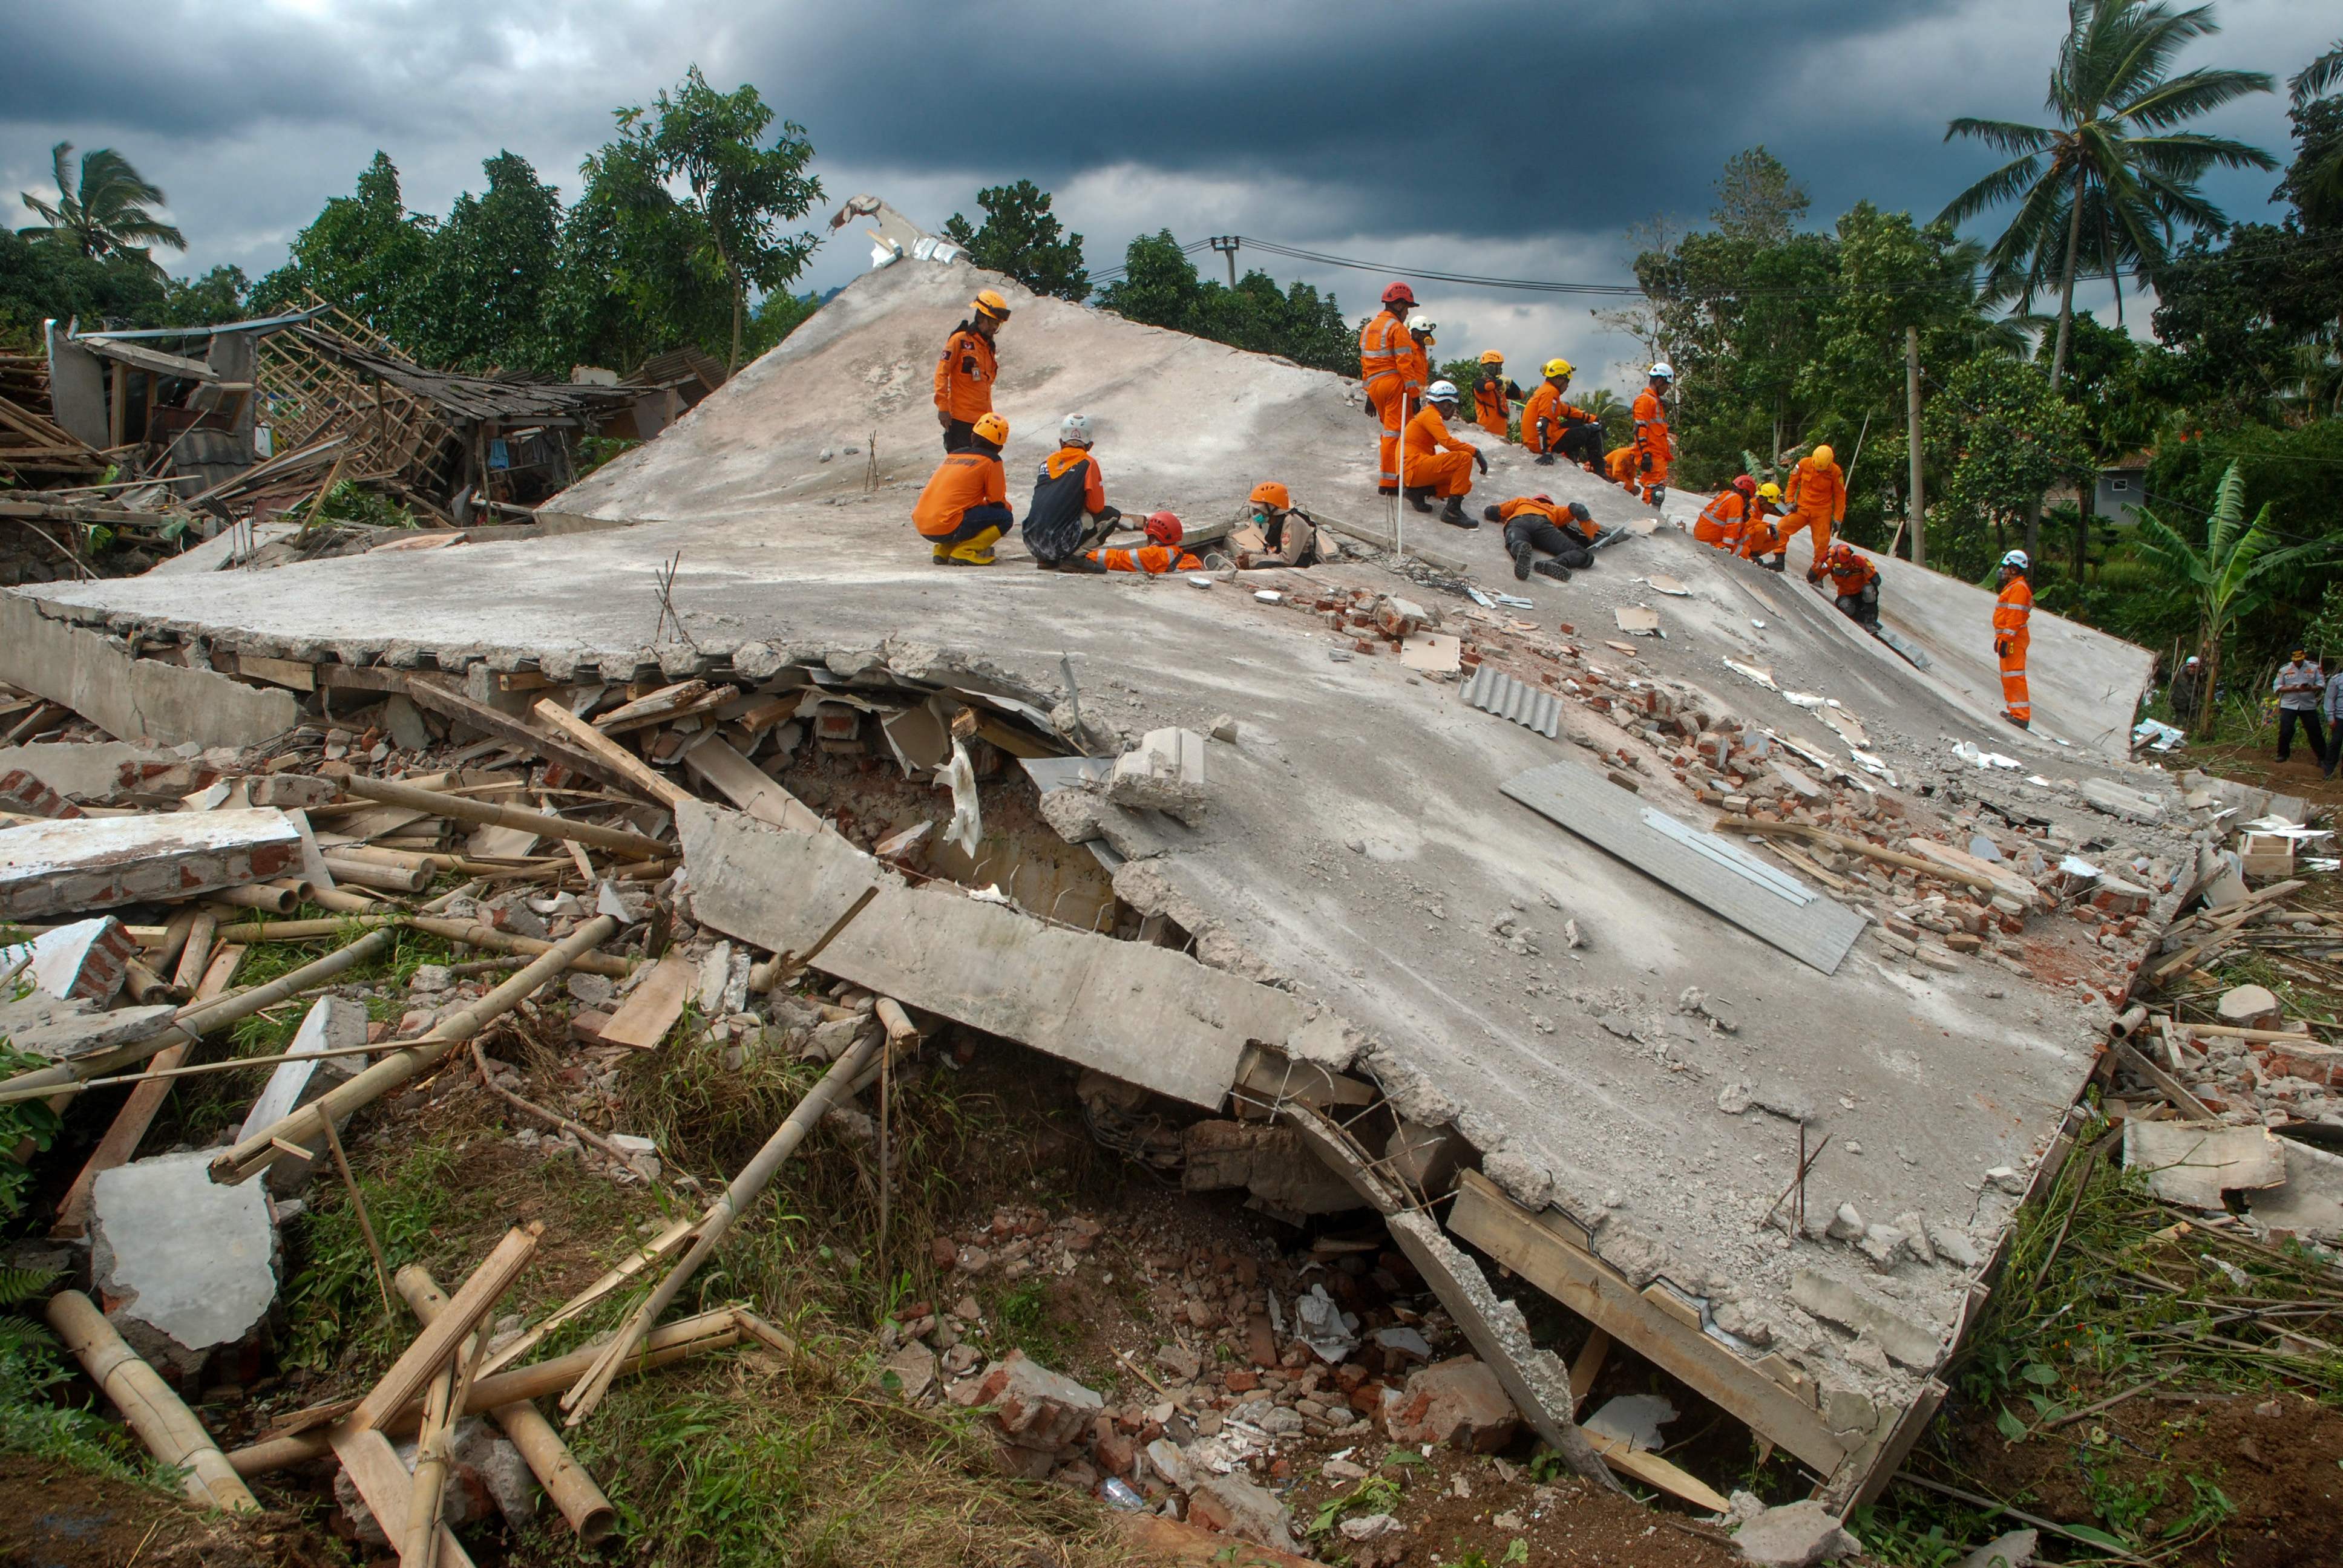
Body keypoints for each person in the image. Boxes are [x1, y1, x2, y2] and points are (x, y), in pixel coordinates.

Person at [912, 411, 1013, 565]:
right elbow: (996, 502)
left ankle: (943, 549)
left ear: (973, 437)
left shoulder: (954, 456)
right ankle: (965, 551)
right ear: (1000, 447)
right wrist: (1007, 507)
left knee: (966, 513)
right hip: (948, 525)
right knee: (1005, 517)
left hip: (923, 523)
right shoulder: (992, 461)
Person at [1023, 414, 1121, 569]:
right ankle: (1075, 559)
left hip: (1032, 540)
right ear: (1090, 445)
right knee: (1111, 515)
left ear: (1061, 442)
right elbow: (1097, 507)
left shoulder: (1046, 462)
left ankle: (1045, 560)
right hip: (1058, 541)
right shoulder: (1088, 463)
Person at [1358, 283, 1420, 495]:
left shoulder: (1369, 328)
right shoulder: (1397, 328)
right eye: (1407, 307)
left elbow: (1365, 362)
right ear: (1399, 304)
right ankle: (1391, 482)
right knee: (1398, 433)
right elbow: (1405, 364)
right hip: (1394, 385)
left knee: (1389, 432)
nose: (1407, 313)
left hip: (1376, 386)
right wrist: (1414, 395)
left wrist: (1369, 394)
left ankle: (1388, 479)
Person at [1401, 381, 1487, 528]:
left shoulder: (1429, 414)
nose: (1453, 410)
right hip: (1413, 467)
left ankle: (1417, 492)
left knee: (1463, 484)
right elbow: (1448, 442)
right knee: (1464, 458)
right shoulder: (1431, 415)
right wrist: (1475, 452)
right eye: (1452, 406)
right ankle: (1452, 512)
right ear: (1446, 404)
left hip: (1412, 468)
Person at [933, 289, 1011, 453]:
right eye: (993, 323)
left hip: (984, 422)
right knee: (961, 471)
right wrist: (943, 407)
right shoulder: (959, 341)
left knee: (982, 469)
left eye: (998, 325)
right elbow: (942, 373)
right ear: (981, 317)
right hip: (960, 420)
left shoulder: (988, 347)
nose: (995, 328)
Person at [1483, 494, 1599, 581]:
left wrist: (1497, 515)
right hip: (1544, 526)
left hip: (1519, 521)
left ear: (1534, 499)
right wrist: (1590, 528)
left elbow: (1492, 511)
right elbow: (1576, 509)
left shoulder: (1523, 501)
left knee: (1517, 541)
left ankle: (1520, 549)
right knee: (1581, 553)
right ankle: (1557, 563)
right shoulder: (1555, 509)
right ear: (1550, 503)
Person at [1520, 359, 1604, 469]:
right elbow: (1543, 423)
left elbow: (1568, 411)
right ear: (1559, 379)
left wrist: (1592, 418)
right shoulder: (1550, 393)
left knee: (1577, 422)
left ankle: (1571, 459)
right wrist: (1547, 452)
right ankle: (1599, 470)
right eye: (1567, 382)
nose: (1568, 386)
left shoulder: (1546, 390)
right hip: (1538, 444)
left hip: (1536, 440)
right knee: (1593, 431)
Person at [1781, 443, 1847, 566]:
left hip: (1822, 512)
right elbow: (1792, 483)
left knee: (1822, 544)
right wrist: (1789, 501)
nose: (1819, 471)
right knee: (1781, 528)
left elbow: (1840, 496)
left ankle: (1817, 572)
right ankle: (1779, 559)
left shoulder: (1836, 472)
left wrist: (1838, 518)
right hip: (1802, 508)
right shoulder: (1803, 464)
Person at [1084, 511, 1202, 575]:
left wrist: (1085, 556)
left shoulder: (1154, 555)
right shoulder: (1193, 559)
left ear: (1152, 537)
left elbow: (1119, 559)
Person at [1240, 480, 1323, 567]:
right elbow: (1273, 551)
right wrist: (1250, 554)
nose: (1255, 513)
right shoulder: (1276, 521)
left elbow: (1287, 560)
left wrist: (1252, 560)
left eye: (1258, 509)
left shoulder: (1291, 522)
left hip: (1311, 569)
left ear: (1271, 508)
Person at [1994, 548, 2034, 728]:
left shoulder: (2018, 588)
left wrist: (2006, 639)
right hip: (2010, 638)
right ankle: (2015, 711)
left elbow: (2015, 617)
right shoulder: (2015, 587)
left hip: (2014, 639)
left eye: (2006, 567)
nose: (2003, 571)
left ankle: (2021, 716)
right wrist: (2002, 637)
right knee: (2009, 675)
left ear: (2015, 569)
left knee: (2014, 675)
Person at [2273, 650, 2327, 765]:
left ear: (2304, 657)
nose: (2298, 662)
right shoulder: (2284, 669)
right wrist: (2294, 688)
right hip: (2289, 704)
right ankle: (2282, 754)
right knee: (2285, 730)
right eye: (2295, 660)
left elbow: (2322, 684)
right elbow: (2277, 687)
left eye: (2300, 660)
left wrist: (2311, 688)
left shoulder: (2314, 667)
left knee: (2315, 731)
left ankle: (2322, 758)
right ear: (2292, 659)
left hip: (2308, 704)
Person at [1631, 363, 1673, 508]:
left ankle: (1651, 520)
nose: (1667, 388)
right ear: (1660, 381)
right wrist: (1646, 454)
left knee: (1658, 490)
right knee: (1654, 491)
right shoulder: (1645, 400)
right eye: (1667, 384)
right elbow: (1640, 428)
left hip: (1657, 454)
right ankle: (1647, 520)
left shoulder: (1654, 401)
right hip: (1651, 453)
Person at [1817, 541, 1880, 630]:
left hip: (1862, 595)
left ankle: (1871, 619)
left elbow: (1877, 580)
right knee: (1845, 606)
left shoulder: (1860, 561)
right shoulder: (1830, 564)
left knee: (1869, 589)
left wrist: (1864, 566)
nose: (1844, 566)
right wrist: (1822, 559)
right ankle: (1863, 617)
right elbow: (1812, 576)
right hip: (1846, 595)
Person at [1694, 476, 1758, 551]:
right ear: (1744, 492)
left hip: (1702, 536)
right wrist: (1727, 546)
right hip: (1710, 541)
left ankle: (1749, 551)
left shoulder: (1727, 495)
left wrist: (1743, 518)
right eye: (1748, 497)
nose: (1747, 501)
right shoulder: (1737, 499)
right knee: (1744, 551)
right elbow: (1733, 525)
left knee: (1745, 545)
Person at [1471, 351, 1522, 437]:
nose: (1501, 369)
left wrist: (1510, 382)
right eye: (1499, 366)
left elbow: (1520, 395)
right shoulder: (1479, 383)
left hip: (1502, 434)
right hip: (1486, 433)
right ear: (1490, 366)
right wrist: (1500, 382)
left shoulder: (1500, 388)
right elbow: (1484, 387)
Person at [1737, 482, 1788, 569]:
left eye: (1773, 505)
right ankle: (1750, 555)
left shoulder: (1761, 510)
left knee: (1775, 539)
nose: (1771, 508)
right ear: (1761, 500)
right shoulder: (1751, 506)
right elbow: (1749, 522)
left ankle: (1753, 556)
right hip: (1739, 537)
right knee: (1762, 529)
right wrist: (1769, 525)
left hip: (1746, 538)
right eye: (1770, 505)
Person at [2168, 655, 2204, 731]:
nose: (2192, 669)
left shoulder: (2200, 680)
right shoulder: (2178, 676)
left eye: (2194, 668)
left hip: (2193, 707)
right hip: (2180, 706)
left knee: (2192, 726)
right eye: (2190, 667)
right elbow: (2166, 675)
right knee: (2181, 726)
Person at [2322, 661, 2343, 779]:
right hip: (2340, 718)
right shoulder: (2337, 680)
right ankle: (2328, 771)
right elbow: (2329, 699)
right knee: (2336, 743)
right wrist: (2331, 718)